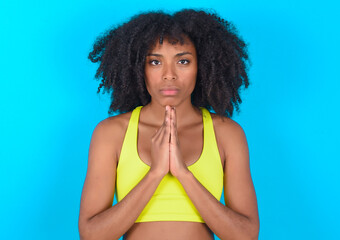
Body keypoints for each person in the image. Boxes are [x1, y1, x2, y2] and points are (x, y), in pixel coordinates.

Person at [78, 9, 259, 240]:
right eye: (155, 62)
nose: (169, 75)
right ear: (138, 69)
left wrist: (183, 173)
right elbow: (92, 235)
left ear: (201, 67)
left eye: (183, 61)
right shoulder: (111, 133)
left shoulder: (227, 134)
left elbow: (246, 235)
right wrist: (155, 173)